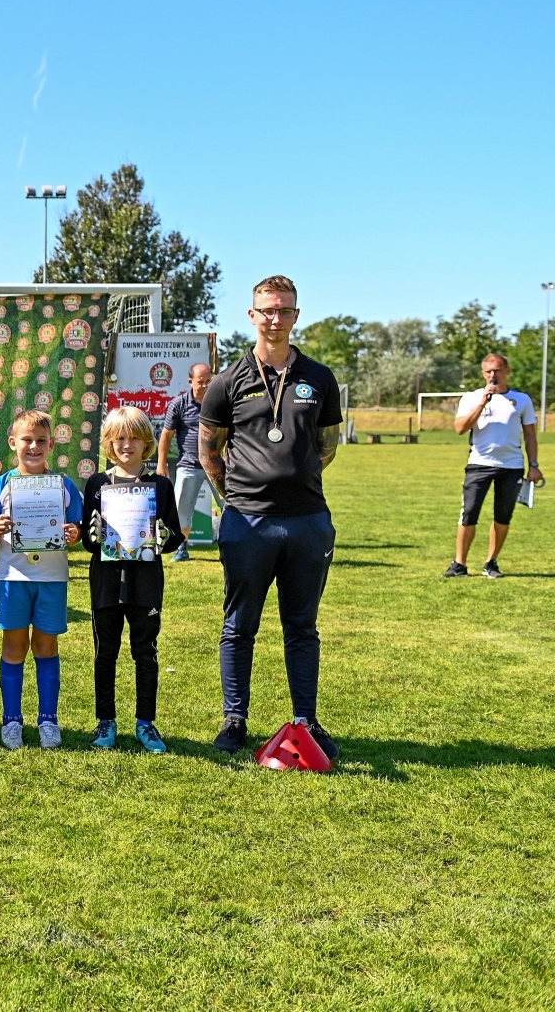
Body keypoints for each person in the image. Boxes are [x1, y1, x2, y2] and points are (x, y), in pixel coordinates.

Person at [198, 275, 343, 761]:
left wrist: (293, 479)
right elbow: (208, 451)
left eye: (283, 310)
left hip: (307, 521)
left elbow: (328, 446)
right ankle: (234, 717)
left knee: (302, 626)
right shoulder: (227, 381)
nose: (275, 318)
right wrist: (236, 499)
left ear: (296, 315)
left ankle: (306, 718)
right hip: (247, 522)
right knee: (239, 625)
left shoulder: (320, 377)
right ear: (252, 315)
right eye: (267, 310)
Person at [81, 407, 184, 754]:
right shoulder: (97, 483)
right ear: (109, 444)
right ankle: (105, 721)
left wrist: (163, 534)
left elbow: (173, 537)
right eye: (119, 438)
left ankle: (145, 723)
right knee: (105, 653)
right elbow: (88, 541)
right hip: (106, 583)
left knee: (145, 653)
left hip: (145, 582)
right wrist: (93, 534)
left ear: (146, 443)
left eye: (134, 438)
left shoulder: (160, 485)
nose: (126, 445)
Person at [0, 411, 83, 750]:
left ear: (51, 444)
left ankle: (48, 720)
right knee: (13, 648)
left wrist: (73, 533)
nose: (34, 447)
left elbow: (76, 531)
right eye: (27, 440)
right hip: (14, 578)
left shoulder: (64, 486)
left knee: (45, 646)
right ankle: (11, 720)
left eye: (41, 441)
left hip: (51, 578)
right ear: (13, 443)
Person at [443, 353, 541, 579]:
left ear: (507, 371)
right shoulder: (471, 397)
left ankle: (491, 562)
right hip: (479, 464)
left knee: (503, 515)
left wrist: (534, 465)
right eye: (488, 371)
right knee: (469, 513)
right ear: (482, 373)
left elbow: (530, 436)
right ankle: (459, 564)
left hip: (511, 466)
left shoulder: (522, 400)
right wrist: (482, 403)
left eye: (497, 370)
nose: (492, 375)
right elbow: (460, 428)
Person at [157, 362, 220, 562]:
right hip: (189, 465)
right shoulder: (179, 404)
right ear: (190, 381)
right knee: (181, 512)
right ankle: (181, 549)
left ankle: (230, 548)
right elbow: (166, 436)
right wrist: (162, 463)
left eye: (208, 381)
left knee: (232, 506)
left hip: (217, 465)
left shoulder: (219, 402)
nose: (205, 386)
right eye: (201, 382)